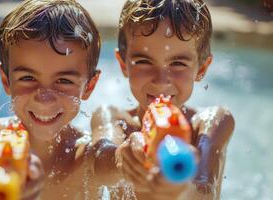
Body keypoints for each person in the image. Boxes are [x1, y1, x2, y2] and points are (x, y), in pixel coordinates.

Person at [0, 0, 110, 199]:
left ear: (89, 86)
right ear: (6, 80)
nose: (44, 98)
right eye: (28, 78)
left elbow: (118, 162)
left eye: (63, 80)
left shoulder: (90, 156)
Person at [91, 0, 235, 199]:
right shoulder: (113, 118)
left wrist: (182, 188)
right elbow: (98, 165)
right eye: (143, 61)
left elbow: (205, 186)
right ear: (124, 64)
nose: (160, 80)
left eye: (177, 63)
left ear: (201, 69)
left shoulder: (212, 121)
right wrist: (121, 160)